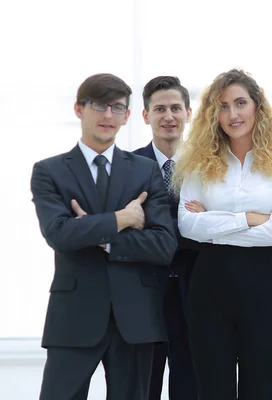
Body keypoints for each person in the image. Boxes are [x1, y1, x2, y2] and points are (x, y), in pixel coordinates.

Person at [31, 73, 178, 400]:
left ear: (127, 116)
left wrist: (100, 236)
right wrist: (121, 219)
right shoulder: (50, 171)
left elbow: (164, 245)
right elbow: (59, 233)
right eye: (99, 105)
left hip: (136, 318)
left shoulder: (144, 170)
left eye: (117, 108)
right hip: (73, 316)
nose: (108, 115)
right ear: (79, 109)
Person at [174, 69, 272, 400]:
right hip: (208, 291)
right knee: (212, 392)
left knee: (259, 392)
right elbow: (188, 226)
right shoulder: (199, 164)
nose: (233, 114)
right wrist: (252, 218)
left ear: (258, 107)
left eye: (240, 103)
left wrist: (214, 223)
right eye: (223, 106)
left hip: (264, 292)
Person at [132, 76, 198, 400]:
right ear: (146, 115)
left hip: (197, 293)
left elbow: (219, 229)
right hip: (145, 296)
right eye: (160, 109)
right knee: (143, 388)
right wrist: (194, 223)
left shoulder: (209, 166)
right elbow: (128, 233)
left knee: (191, 387)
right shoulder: (128, 167)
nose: (168, 116)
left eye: (175, 108)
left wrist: (153, 227)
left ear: (189, 112)